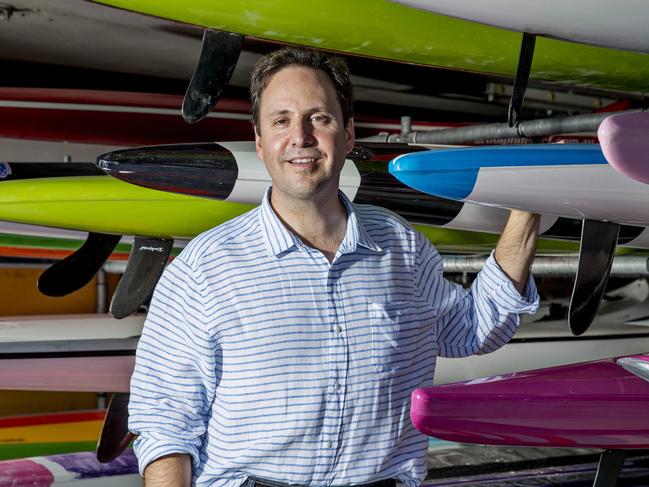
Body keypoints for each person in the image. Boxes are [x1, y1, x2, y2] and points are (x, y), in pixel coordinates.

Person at [129, 47, 540, 487]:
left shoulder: (401, 247)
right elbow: (165, 422)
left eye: (319, 118)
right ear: (260, 142)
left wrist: (528, 206)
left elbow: (472, 328)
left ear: (347, 136)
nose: (301, 137)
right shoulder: (203, 270)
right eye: (281, 120)